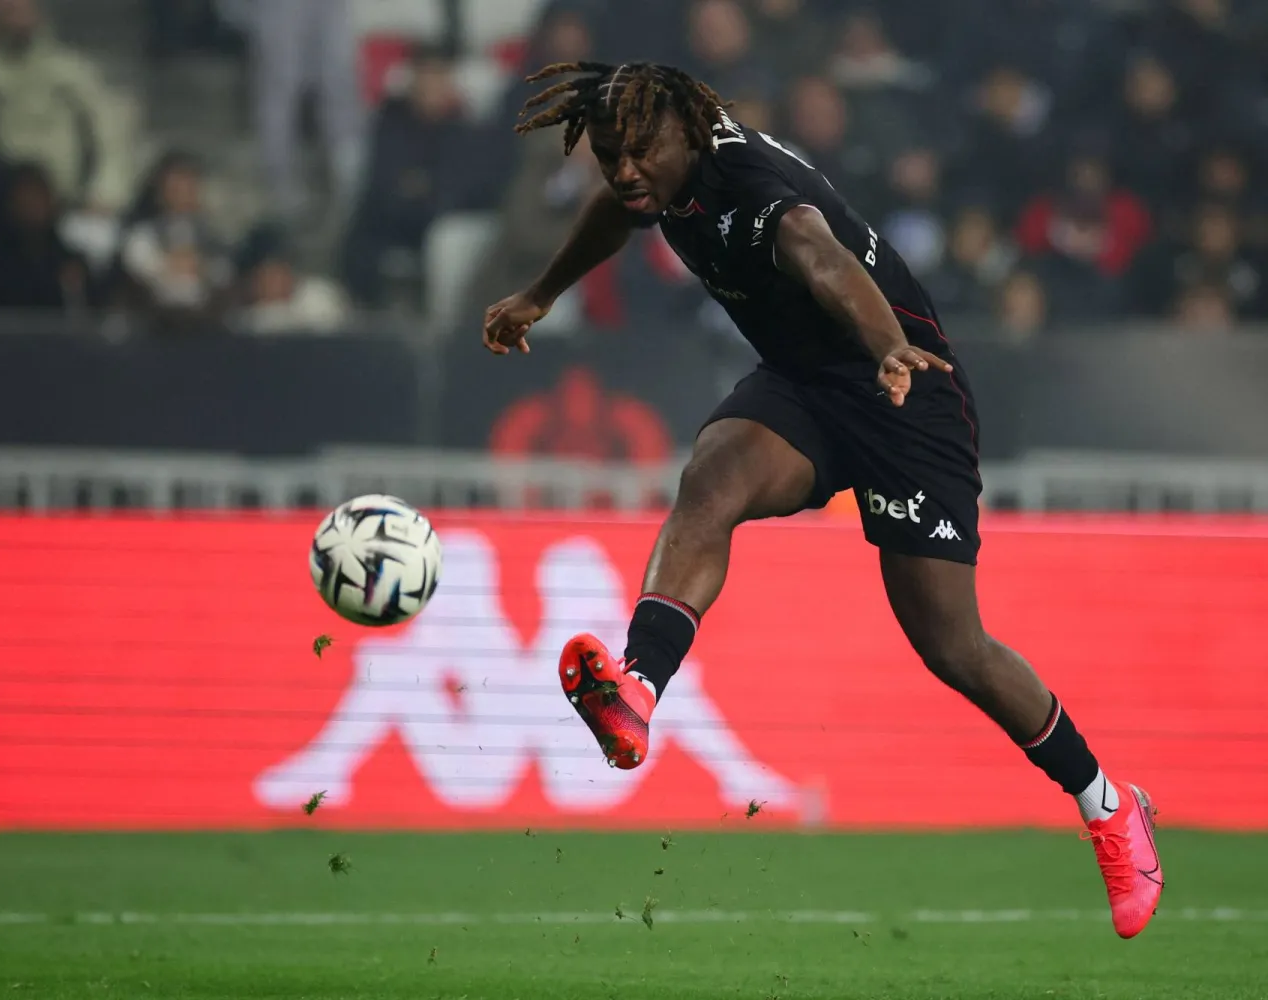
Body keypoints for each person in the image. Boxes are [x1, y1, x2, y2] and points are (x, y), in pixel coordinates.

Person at [481, 61, 1163, 939]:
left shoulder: (761, 194)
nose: (623, 171)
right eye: (610, 154)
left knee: (952, 645)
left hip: (905, 395)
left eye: (639, 153)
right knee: (711, 479)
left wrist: (887, 347)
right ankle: (637, 689)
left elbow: (824, 258)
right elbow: (617, 211)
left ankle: (1111, 809)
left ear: (689, 132)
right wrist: (540, 294)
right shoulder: (652, 177)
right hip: (804, 385)